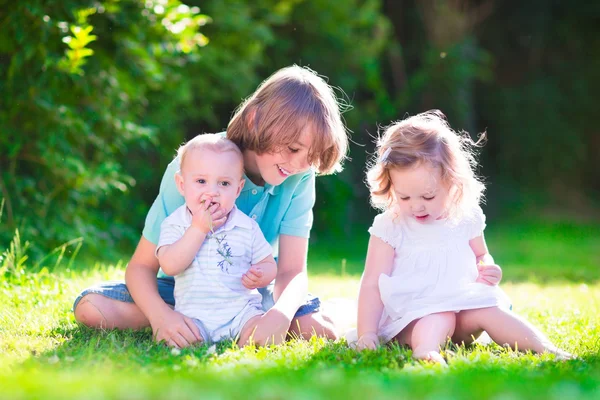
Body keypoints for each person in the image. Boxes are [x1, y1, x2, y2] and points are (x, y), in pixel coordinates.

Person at [73, 65, 349, 348]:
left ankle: (245, 321)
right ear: (255, 119)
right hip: (186, 290)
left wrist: (280, 314)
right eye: (292, 149)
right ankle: (192, 322)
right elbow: (140, 268)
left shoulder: (299, 175)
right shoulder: (197, 165)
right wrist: (161, 317)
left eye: (311, 155)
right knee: (91, 307)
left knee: (319, 328)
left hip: (249, 293)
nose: (300, 164)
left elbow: (291, 271)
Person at [353, 110, 571, 364]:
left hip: (461, 305)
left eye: (428, 196)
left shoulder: (465, 217)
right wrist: (366, 333)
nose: (416, 206)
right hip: (414, 317)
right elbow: (371, 284)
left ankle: (547, 349)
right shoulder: (391, 226)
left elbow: (481, 254)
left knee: (489, 310)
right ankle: (426, 350)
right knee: (439, 316)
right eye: (404, 197)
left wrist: (487, 267)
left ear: (452, 181)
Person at [156, 134, 277, 346]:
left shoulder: (246, 226)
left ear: (238, 189)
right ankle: (197, 341)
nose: (212, 192)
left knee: (260, 331)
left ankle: (247, 340)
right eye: (201, 181)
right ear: (182, 185)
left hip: (241, 312)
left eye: (224, 183)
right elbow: (169, 265)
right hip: (194, 316)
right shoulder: (175, 224)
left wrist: (261, 275)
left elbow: (268, 264)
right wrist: (198, 228)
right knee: (181, 339)